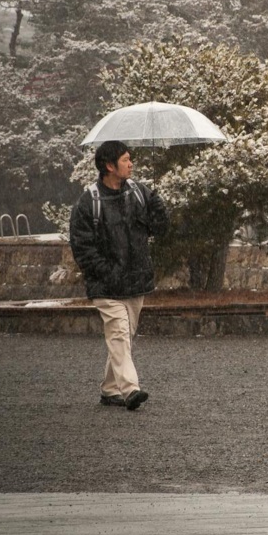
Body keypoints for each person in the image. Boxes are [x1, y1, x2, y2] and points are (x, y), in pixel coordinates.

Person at [69, 140, 168, 411]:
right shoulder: (89, 201)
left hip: (135, 281)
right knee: (120, 334)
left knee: (124, 337)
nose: (131, 163)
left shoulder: (138, 193)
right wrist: (107, 272)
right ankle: (130, 389)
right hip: (106, 284)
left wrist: (158, 205)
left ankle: (110, 389)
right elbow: (82, 246)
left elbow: (159, 228)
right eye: (125, 159)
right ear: (109, 166)